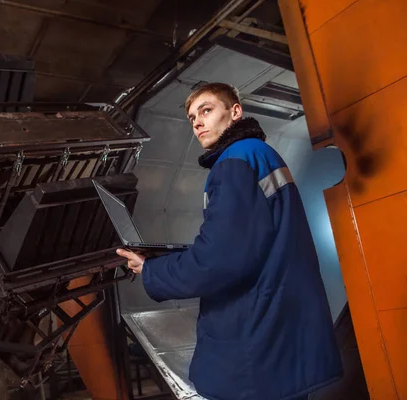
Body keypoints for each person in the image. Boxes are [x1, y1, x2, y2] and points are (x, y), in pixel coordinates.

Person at [116, 83, 343, 400]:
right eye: (192, 117)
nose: (197, 121)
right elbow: (246, 244)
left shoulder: (234, 162)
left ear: (235, 111)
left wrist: (152, 270)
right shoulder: (261, 155)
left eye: (206, 110)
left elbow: (218, 260)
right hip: (280, 337)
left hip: (254, 345)